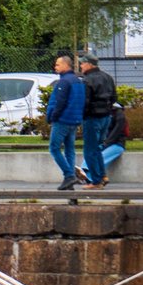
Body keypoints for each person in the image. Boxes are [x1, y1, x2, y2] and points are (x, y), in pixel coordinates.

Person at [44, 54, 87, 191]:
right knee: (70, 149)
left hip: (62, 120)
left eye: (57, 64)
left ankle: (69, 175)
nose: (55, 67)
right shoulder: (79, 81)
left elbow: (60, 102)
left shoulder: (64, 82)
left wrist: (52, 117)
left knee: (54, 148)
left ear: (66, 65)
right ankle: (70, 184)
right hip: (74, 120)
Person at [79, 54, 118, 188]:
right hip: (106, 118)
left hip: (92, 118)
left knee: (89, 150)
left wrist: (82, 116)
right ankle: (102, 175)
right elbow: (114, 98)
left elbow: (85, 102)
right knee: (98, 148)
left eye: (82, 63)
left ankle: (96, 181)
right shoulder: (108, 77)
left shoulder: (87, 80)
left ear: (89, 64)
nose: (81, 66)